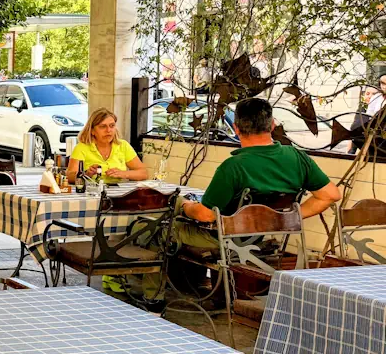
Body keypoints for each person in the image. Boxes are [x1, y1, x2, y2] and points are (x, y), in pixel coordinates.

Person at [176, 97, 341, 249]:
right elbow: (330, 194)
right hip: (257, 240)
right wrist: (285, 218)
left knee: (166, 228)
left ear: (236, 128)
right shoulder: (297, 158)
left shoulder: (233, 167)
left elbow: (206, 215)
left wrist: (185, 206)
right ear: (272, 126)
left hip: (225, 240)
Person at [67, 108, 148, 184]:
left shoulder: (123, 145)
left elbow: (143, 173)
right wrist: (86, 174)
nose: (108, 130)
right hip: (91, 192)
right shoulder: (81, 148)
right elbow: (70, 176)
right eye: (103, 127)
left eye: (112, 126)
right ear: (92, 131)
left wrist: (124, 174)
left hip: (119, 194)